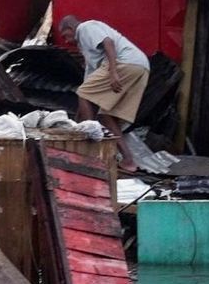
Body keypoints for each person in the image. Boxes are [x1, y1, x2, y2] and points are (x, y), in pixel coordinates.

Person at [59, 15, 150, 171]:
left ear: (71, 28)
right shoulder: (86, 47)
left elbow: (109, 43)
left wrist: (113, 72)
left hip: (125, 62)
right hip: (140, 66)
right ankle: (129, 161)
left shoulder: (86, 28)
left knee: (83, 94)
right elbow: (89, 84)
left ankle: (90, 148)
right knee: (105, 116)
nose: (66, 41)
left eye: (65, 35)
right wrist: (77, 119)